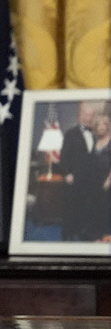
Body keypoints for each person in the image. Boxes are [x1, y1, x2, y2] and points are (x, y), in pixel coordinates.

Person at [59, 100, 106, 240]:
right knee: (73, 208)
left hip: (93, 179)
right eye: (85, 115)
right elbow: (64, 157)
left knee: (90, 208)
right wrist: (67, 174)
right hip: (76, 179)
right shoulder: (70, 134)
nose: (88, 118)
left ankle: (87, 233)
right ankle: (68, 234)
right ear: (79, 115)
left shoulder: (97, 134)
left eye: (91, 116)